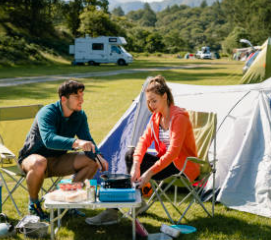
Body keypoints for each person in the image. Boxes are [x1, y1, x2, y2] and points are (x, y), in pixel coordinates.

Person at [85, 75, 199, 226]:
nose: (151, 105)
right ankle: (130, 204)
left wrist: (149, 173)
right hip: (166, 163)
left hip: (183, 166)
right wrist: (136, 166)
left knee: (138, 163)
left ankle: (117, 210)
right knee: (130, 155)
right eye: (149, 101)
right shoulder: (156, 118)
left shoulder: (179, 117)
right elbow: (143, 142)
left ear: (165, 96)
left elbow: (173, 153)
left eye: (154, 100)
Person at [19, 79, 108, 220]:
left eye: (82, 96)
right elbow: (49, 140)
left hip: (58, 160)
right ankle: (34, 205)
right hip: (33, 160)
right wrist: (76, 142)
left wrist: (98, 156)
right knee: (39, 162)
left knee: (92, 161)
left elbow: (88, 139)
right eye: (77, 97)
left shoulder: (79, 116)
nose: (82, 100)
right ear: (63, 99)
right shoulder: (47, 113)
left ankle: (68, 202)